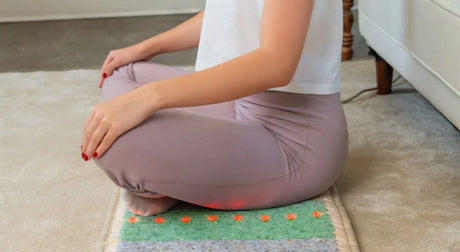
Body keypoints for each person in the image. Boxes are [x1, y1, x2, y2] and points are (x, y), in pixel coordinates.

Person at [80, 0, 348, 216]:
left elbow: (276, 64)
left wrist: (150, 98)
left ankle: (181, 183)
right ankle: (187, 178)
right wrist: (145, 48)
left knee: (117, 146)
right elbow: (226, 14)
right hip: (240, 104)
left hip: (294, 143)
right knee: (123, 72)